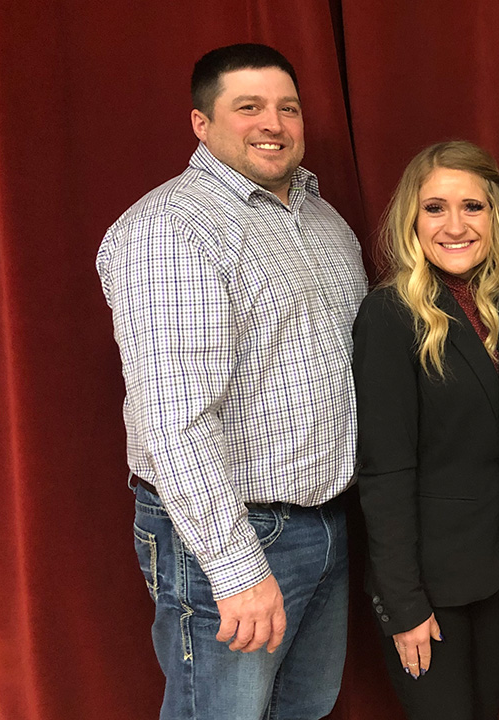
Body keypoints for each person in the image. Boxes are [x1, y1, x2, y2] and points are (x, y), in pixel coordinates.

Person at [96, 44, 367, 719]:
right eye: (248, 107)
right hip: (236, 533)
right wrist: (237, 568)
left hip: (327, 522)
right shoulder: (174, 229)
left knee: (306, 709)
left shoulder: (323, 220)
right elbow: (175, 419)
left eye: (287, 108)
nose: (272, 123)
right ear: (201, 122)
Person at [353, 141, 499, 718]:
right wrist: (402, 603)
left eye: (472, 206)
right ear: (412, 218)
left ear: (496, 213)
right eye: (435, 208)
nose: (455, 226)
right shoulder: (390, 314)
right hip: (429, 583)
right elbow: (385, 469)